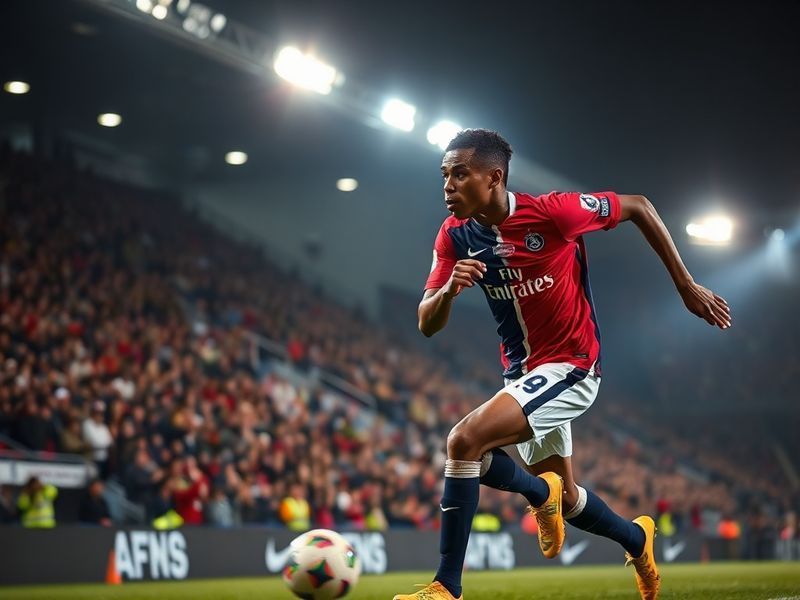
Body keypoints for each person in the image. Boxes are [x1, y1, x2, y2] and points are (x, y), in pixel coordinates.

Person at [394, 129, 731, 600]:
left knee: (463, 441)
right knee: (569, 501)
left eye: (459, 174)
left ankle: (446, 587)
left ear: (494, 178)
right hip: (522, 375)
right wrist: (450, 289)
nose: (448, 186)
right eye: (445, 175)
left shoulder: (553, 212)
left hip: (572, 366)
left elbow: (638, 205)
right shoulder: (454, 236)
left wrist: (686, 286)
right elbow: (427, 323)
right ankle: (637, 540)